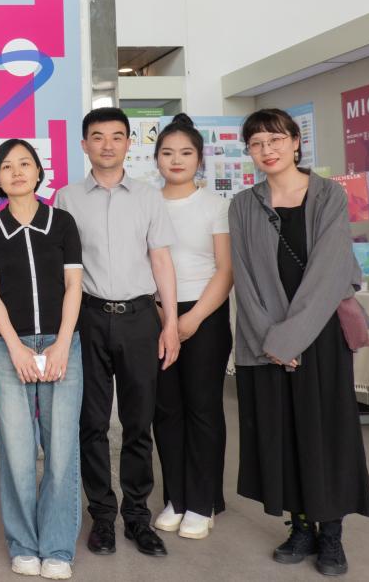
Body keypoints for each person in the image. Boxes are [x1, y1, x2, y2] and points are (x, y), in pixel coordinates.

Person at [229, 108, 369, 577]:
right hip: (267, 339)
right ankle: (301, 526)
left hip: (320, 334)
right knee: (282, 431)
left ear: (295, 141)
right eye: (256, 143)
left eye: (275, 140)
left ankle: (331, 534)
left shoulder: (328, 194)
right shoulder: (243, 205)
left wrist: (291, 339)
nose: (266, 150)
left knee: (326, 432)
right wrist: (272, 340)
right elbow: (245, 280)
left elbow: (330, 271)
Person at [54, 106, 180, 559]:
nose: (107, 145)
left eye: (116, 136)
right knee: (90, 423)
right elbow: (62, 270)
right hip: (88, 318)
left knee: (138, 422)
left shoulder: (148, 197)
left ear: (129, 143)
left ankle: (138, 517)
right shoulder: (67, 198)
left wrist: (170, 324)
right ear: (84, 144)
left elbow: (161, 260)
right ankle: (103, 517)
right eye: (97, 137)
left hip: (140, 318)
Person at [0, 139, 83, 581]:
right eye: (6, 166)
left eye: (25, 163)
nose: (17, 171)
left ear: (39, 172)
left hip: (62, 343)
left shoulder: (62, 222)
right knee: (18, 453)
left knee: (61, 451)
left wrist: (62, 344)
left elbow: (74, 286)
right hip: (7, 348)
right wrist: (16, 347)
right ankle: (23, 544)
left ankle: (57, 547)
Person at [150, 114, 234, 540]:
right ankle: (176, 497)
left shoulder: (215, 205)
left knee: (202, 407)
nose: (176, 160)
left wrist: (192, 318)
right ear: (156, 159)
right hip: (155, 313)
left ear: (199, 159)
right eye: (167, 153)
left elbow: (225, 270)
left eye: (185, 153)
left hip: (205, 313)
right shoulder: (146, 202)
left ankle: (203, 501)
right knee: (166, 410)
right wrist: (166, 318)